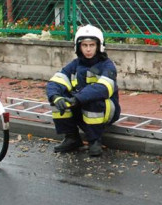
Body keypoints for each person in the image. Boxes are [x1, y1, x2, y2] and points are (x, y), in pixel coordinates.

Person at [46, 25, 121, 157]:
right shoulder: (75, 65)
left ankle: (95, 140)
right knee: (59, 99)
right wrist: (56, 97)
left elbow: (102, 88)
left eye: (92, 45)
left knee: (92, 99)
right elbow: (56, 81)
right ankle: (72, 138)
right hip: (79, 106)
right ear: (78, 47)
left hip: (106, 110)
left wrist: (77, 98)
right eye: (84, 45)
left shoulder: (107, 65)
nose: (88, 49)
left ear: (99, 46)